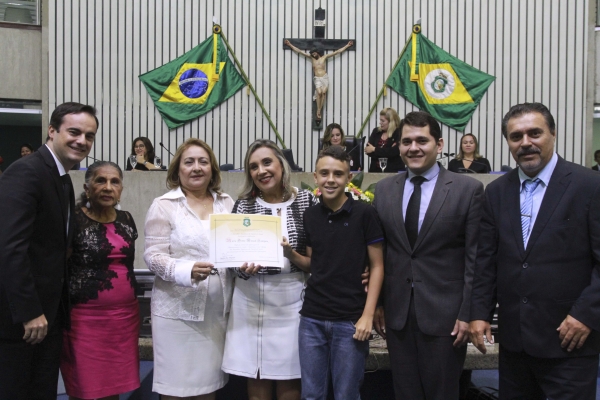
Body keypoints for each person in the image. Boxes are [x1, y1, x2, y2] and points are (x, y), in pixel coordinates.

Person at [469, 103, 600, 399]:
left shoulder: (589, 186)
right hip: (515, 346)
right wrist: (479, 313)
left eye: (534, 133)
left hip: (571, 342)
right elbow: (486, 261)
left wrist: (586, 315)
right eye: (516, 136)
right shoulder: (497, 192)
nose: (525, 143)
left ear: (552, 134)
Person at [372, 111, 484, 400]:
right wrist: (380, 304)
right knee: (405, 393)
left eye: (422, 140)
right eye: (406, 141)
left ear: (440, 144)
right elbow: (382, 253)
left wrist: (468, 313)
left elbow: (475, 257)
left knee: (442, 393)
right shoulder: (384, 190)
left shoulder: (467, 190)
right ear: (398, 146)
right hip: (397, 315)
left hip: (447, 317)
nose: (413, 148)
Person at [0, 102, 98, 399]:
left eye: (89, 135)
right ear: (52, 131)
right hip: (22, 323)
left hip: (49, 319)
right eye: (74, 131)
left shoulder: (64, 180)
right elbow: (10, 248)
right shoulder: (26, 172)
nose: (82, 140)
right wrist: (29, 312)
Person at [221, 139, 317, 400]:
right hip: (250, 301)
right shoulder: (243, 205)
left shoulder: (306, 200)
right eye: (253, 167)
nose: (261, 171)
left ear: (281, 164)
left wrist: (291, 254)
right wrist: (243, 269)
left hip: (293, 302)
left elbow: (318, 257)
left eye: (266, 162)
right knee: (257, 377)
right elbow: (231, 261)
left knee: (290, 380)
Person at [144, 138, 235, 399]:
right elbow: (153, 257)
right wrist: (186, 271)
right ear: (177, 170)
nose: (196, 167)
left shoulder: (226, 203)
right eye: (189, 162)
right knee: (177, 388)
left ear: (212, 169)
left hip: (217, 314)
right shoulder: (164, 205)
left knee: (208, 387)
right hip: (176, 313)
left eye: (203, 162)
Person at [297, 146, 384, 399]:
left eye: (338, 173)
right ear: (315, 177)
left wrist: (368, 315)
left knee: (346, 394)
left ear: (349, 177)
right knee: (311, 394)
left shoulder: (365, 214)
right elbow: (314, 264)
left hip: (350, 321)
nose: (330, 179)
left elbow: (377, 265)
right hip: (311, 319)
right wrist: (290, 253)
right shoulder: (310, 215)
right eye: (324, 173)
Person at [60, 161, 140, 399]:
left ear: (121, 189)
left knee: (113, 388)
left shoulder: (126, 218)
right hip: (84, 321)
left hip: (124, 319)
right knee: (85, 388)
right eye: (100, 181)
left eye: (114, 182)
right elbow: (59, 268)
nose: (108, 187)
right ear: (87, 188)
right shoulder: (73, 219)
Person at [284, 40, 353, 122]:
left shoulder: (324, 57)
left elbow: (337, 52)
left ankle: (319, 110)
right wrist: (290, 45)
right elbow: (300, 51)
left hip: (324, 77)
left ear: (317, 52)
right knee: (319, 92)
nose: (313, 54)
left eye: (314, 53)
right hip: (317, 78)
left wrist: (347, 46)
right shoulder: (312, 59)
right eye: (312, 53)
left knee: (323, 93)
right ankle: (318, 109)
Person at [365, 107, 405, 173]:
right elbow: (368, 150)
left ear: (391, 122)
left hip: (393, 171)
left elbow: (394, 152)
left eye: (383, 121)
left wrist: (374, 149)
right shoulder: (376, 131)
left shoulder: (398, 133)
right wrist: (387, 152)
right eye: (380, 120)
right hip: (375, 171)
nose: (380, 123)